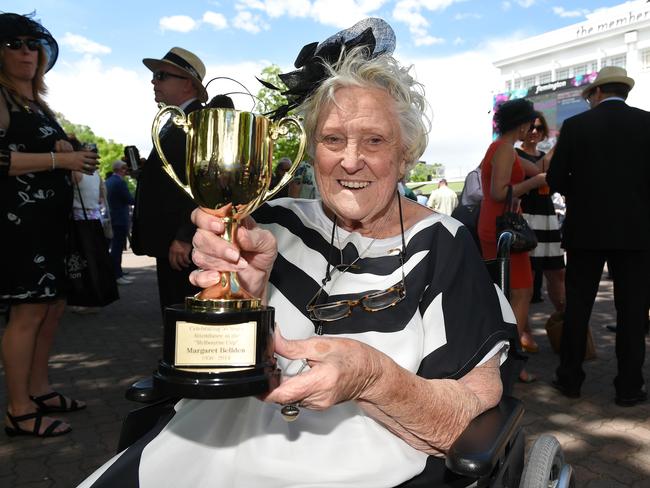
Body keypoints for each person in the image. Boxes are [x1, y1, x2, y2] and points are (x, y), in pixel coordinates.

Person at [78, 19, 512, 487]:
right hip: (218, 436)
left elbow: (467, 415)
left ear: (405, 155)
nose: (350, 160)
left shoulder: (443, 243)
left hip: (359, 464)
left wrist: (373, 379)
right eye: (332, 139)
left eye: (374, 140)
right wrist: (245, 301)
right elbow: (215, 366)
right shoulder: (272, 221)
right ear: (311, 150)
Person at [0, 13, 98, 437]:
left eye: (32, 44)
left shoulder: (36, 104)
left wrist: (62, 149)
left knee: (50, 309)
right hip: (18, 225)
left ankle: (39, 390)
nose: (26, 51)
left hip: (48, 223)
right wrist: (62, 159)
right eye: (14, 43)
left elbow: (35, 153)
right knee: (27, 312)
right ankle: (19, 410)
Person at [547, 66, 650, 406]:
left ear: (597, 93)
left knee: (578, 307)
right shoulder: (647, 122)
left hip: (586, 231)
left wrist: (585, 193)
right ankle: (629, 387)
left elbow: (557, 178)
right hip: (637, 233)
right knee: (634, 312)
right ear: (625, 91)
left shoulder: (576, 125)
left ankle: (571, 379)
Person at [477, 98, 547, 382]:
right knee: (520, 293)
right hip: (503, 228)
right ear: (521, 123)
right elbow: (498, 192)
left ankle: (503, 358)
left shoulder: (501, 148)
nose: (530, 130)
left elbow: (537, 166)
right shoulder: (505, 150)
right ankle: (511, 362)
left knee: (505, 293)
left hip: (495, 225)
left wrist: (541, 170)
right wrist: (535, 182)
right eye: (529, 124)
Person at [131, 47, 206, 311]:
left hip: (182, 245)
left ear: (187, 83)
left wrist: (186, 236)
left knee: (182, 313)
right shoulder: (177, 120)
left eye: (161, 76)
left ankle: (176, 354)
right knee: (174, 311)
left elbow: (203, 182)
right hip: (173, 243)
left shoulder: (196, 121)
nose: (154, 81)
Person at [517, 112, 565, 310]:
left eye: (539, 128)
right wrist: (560, 144)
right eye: (531, 127)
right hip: (526, 217)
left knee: (557, 271)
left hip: (548, 218)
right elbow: (536, 171)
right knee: (528, 276)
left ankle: (564, 322)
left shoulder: (546, 157)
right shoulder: (515, 155)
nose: (534, 131)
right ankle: (523, 331)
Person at [70, 166, 108, 312]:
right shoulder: (96, 174)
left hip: (79, 219)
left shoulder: (74, 172)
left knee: (81, 261)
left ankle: (85, 300)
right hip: (95, 218)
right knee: (93, 260)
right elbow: (101, 195)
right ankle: (95, 298)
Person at [105, 160, 134, 285]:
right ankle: (117, 275)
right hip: (120, 219)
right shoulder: (119, 182)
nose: (126, 171)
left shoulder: (109, 181)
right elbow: (129, 199)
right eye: (124, 168)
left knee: (114, 247)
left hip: (112, 217)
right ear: (119, 169)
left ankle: (117, 272)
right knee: (117, 248)